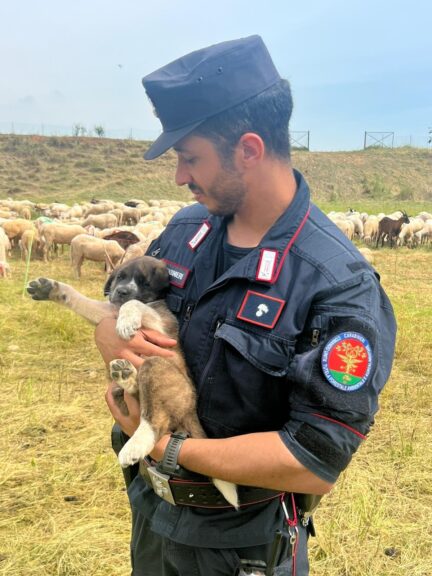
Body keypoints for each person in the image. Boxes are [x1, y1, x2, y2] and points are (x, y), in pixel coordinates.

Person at [94, 35, 397, 576]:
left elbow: (313, 460)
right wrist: (109, 335)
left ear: (249, 149)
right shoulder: (185, 231)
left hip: (238, 547)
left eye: (191, 158)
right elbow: (126, 313)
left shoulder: (335, 283)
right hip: (151, 514)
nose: (180, 177)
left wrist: (168, 448)